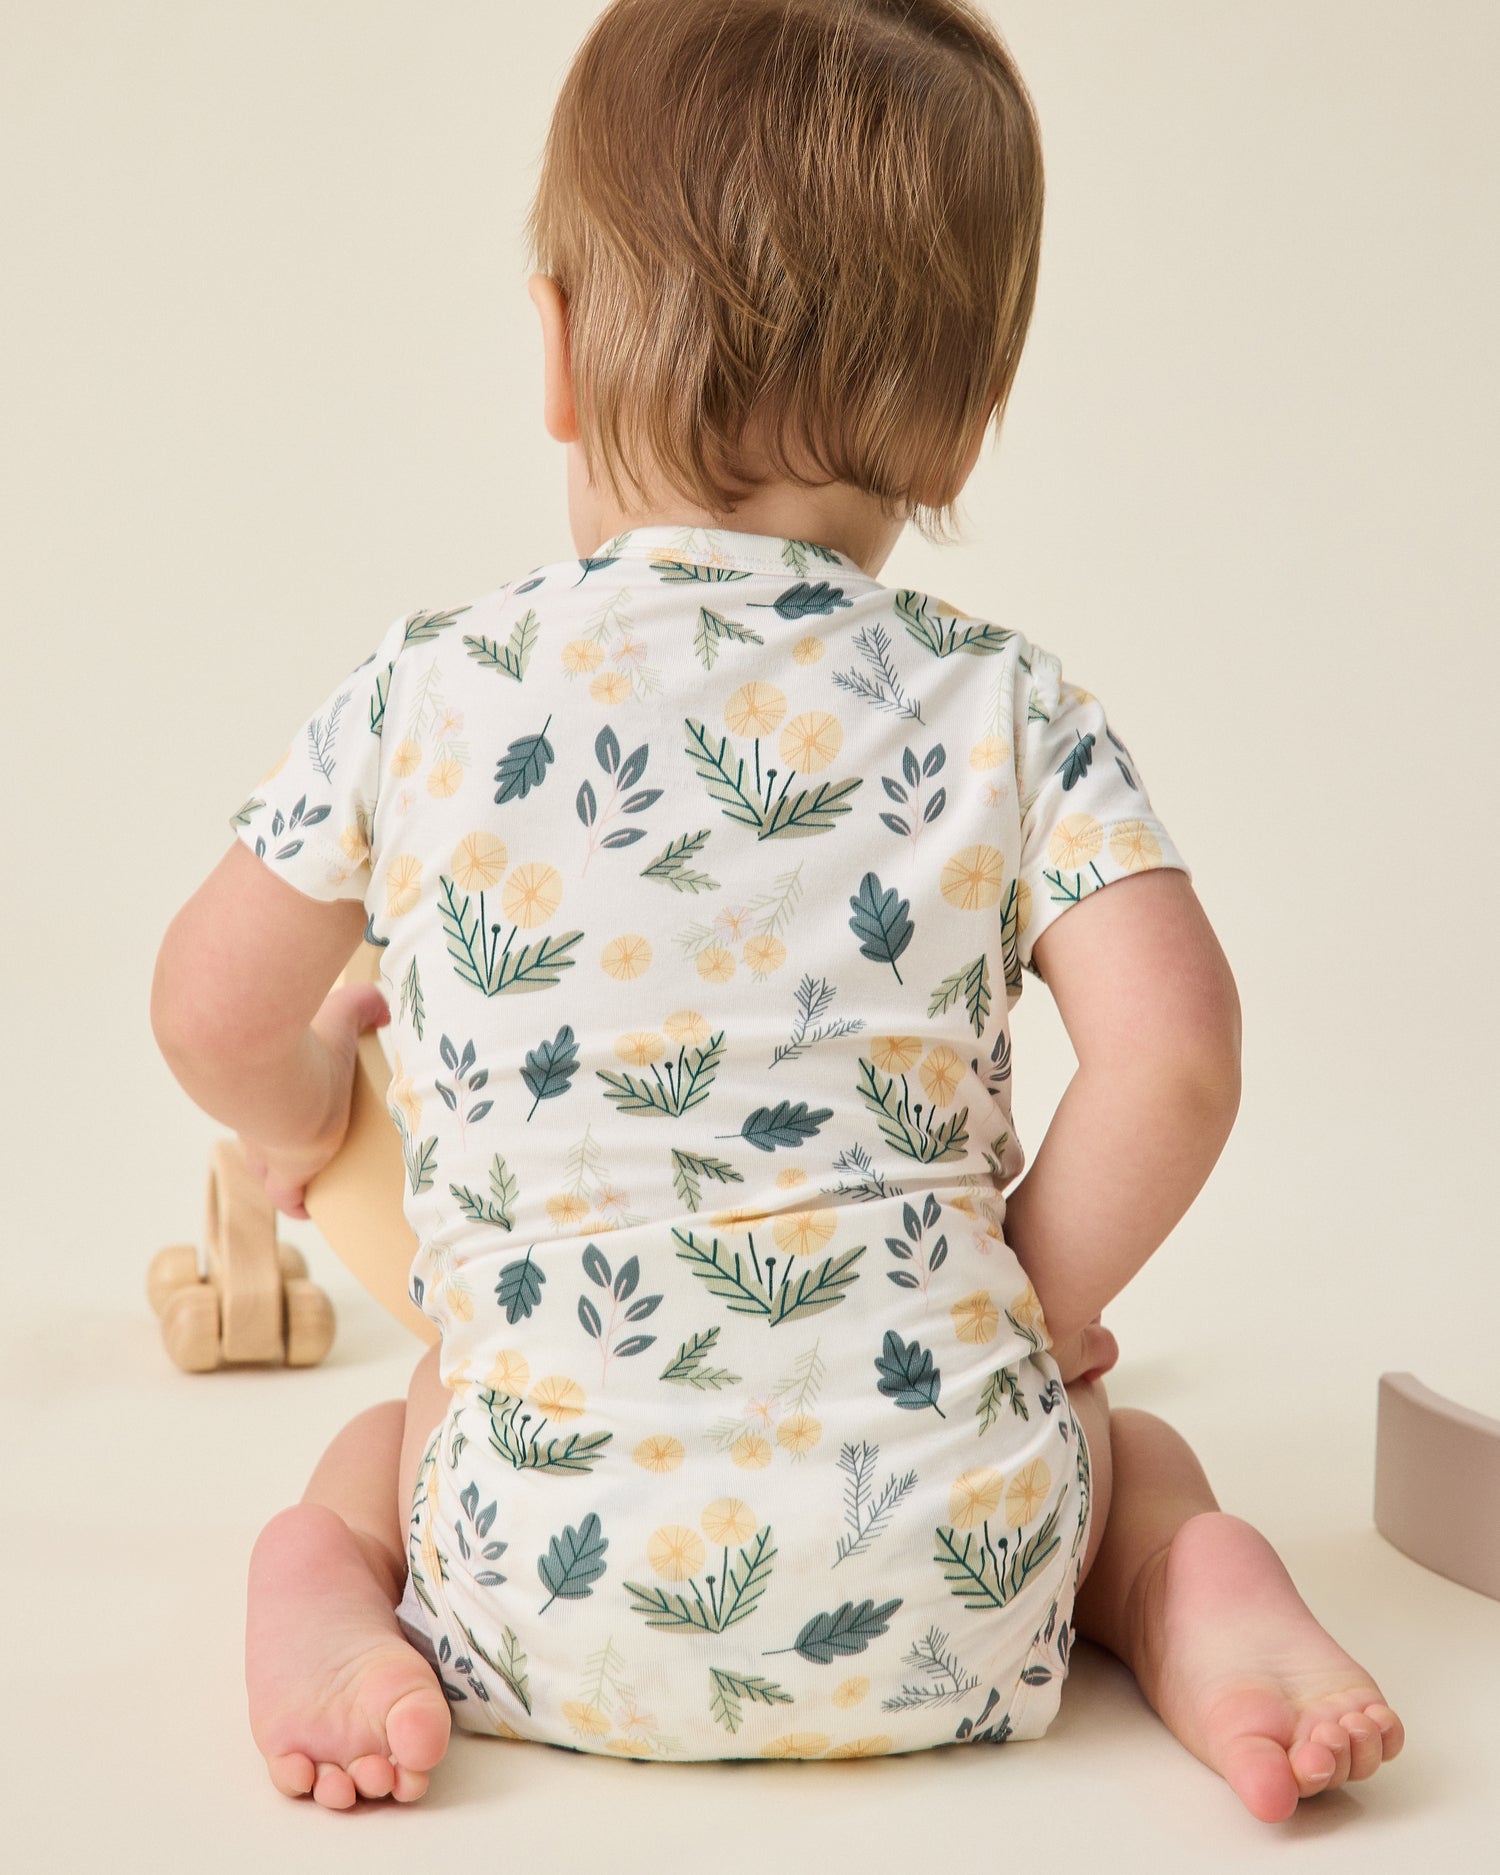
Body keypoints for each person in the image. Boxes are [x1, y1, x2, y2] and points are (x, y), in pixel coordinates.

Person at [150, 0, 1403, 1824]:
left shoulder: (429, 687)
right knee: (1153, 1478)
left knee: (368, 1452)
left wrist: (304, 1124)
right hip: (960, 1578)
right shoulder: (1010, 702)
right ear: (968, 425)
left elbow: (206, 1011)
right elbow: (1180, 1056)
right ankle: (1185, 1593)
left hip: (538, 1575)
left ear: (559, 352)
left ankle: (325, 1603)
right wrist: (1027, 1306)